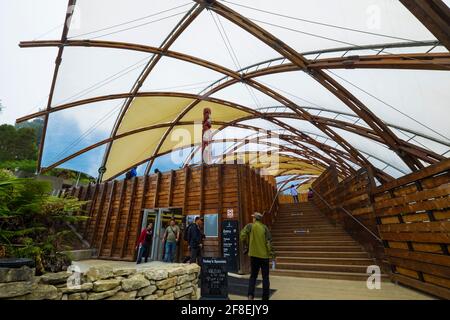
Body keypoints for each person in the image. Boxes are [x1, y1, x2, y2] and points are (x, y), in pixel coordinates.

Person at [240, 212, 275, 301]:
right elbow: (269, 242)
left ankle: (250, 296)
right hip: (264, 257)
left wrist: (248, 243)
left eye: (253, 217)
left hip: (254, 256)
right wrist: (272, 254)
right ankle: (265, 297)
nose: (253, 219)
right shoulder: (265, 228)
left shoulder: (250, 226)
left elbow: (242, 236)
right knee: (265, 277)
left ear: (255, 218)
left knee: (253, 276)